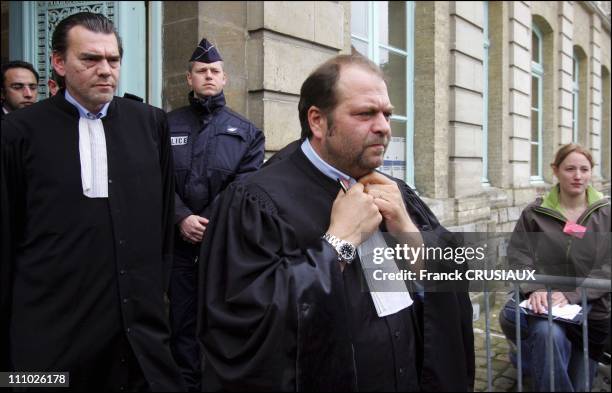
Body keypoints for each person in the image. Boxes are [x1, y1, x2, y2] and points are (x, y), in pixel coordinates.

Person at [196, 54, 474, 391]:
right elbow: (241, 324)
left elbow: (457, 275)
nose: (384, 127)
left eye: (386, 113)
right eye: (365, 113)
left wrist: (410, 235)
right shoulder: (255, 202)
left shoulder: (396, 192)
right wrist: (336, 246)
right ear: (317, 121)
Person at [1, 12, 184, 391]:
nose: (105, 70)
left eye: (113, 60)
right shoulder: (17, 132)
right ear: (59, 63)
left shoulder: (150, 123)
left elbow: (163, 223)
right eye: (90, 59)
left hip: (138, 338)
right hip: (51, 340)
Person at [167, 38, 264, 391]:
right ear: (189, 78)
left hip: (221, 247)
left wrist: (205, 221)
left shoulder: (247, 132)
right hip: (177, 247)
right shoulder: (166, 125)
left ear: (224, 79)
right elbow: (156, 180)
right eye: (201, 71)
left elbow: (244, 188)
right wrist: (181, 217)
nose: (208, 76)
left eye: (215, 71)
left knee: (222, 322)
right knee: (180, 322)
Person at [500, 143, 611, 392]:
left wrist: (572, 295)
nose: (578, 176)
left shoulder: (606, 215)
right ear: (555, 170)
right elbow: (518, 256)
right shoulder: (534, 213)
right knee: (548, 334)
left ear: (591, 172)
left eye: (584, 169)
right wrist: (535, 288)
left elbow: (608, 266)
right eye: (570, 168)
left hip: (591, 313)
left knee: (580, 383)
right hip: (545, 308)